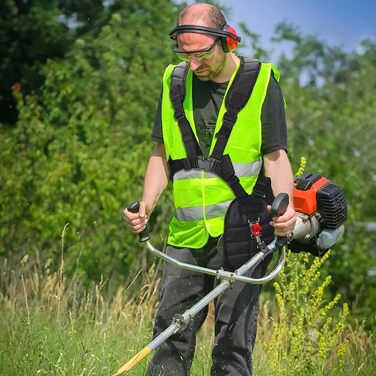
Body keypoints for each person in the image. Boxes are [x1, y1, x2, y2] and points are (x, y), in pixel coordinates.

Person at [124, 3, 296, 375]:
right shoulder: (174, 81)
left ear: (225, 42)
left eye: (201, 54)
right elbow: (161, 153)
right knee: (171, 332)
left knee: (232, 344)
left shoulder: (261, 81)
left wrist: (287, 211)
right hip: (186, 235)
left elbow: (276, 156)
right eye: (185, 54)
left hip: (243, 234)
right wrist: (147, 206)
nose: (193, 63)